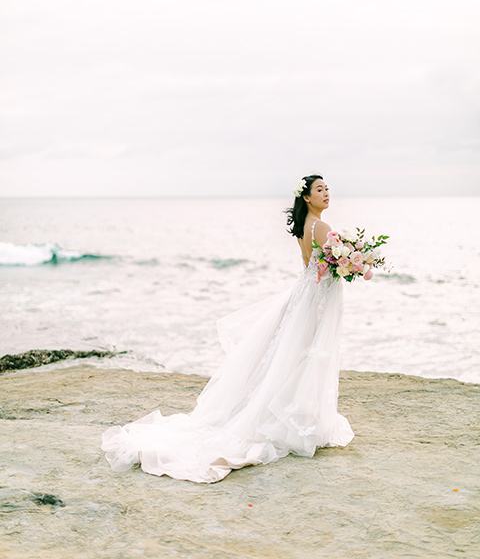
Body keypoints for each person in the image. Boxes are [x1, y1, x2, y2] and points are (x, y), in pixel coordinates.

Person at [101, 174, 354, 483]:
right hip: (316, 298)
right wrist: (356, 262)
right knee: (308, 354)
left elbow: (310, 267)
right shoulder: (322, 227)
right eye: (319, 189)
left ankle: (294, 415)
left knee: (294, 354)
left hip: (307, 294)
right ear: (306, 198)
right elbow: (331, 265)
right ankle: (297, 418)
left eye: (327, 188)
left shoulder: (306, 227)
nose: (326, 193)